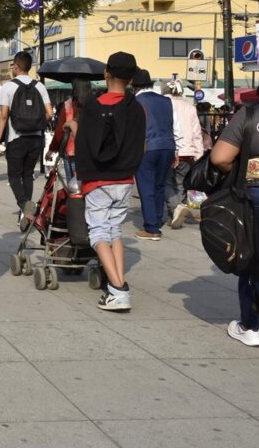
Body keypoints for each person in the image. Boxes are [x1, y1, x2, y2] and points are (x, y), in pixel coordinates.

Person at [211, 53, 259, 347]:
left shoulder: (248, 116)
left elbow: (220, 158)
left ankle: (250, 326)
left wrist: (242, 172)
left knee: (255, 262)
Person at [75, 52, 146, 311]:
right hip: (125, 178)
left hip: (98, 180)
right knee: (115, 231)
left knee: (99, 232)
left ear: (107, 72)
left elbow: (88, 144)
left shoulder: (95, 106)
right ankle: (118, 282)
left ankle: (118, 288)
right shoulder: (135, 107)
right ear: (130, 77)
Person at [0, 52, 53, 222]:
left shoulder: (8, 87)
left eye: (13, 65)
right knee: (27, 175)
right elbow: (50, 113)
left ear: (17, 66)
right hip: (36, 138)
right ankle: (26, 212)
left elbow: (4, 115)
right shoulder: (40, 86)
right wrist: (36, 123)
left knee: (14, 176)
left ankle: (24, 206)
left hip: (16, 138)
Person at [132, 69, 179, 241]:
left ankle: (151, 228)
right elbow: (175, 125)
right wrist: (177, 150)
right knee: (159, 185)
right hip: (168, 146)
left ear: (134, 86)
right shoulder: (166, 101)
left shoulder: (135, 101)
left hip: (147, 147)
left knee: (146, 188)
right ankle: (157, 220)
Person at [164, 79, 204, 229]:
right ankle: (176, 211)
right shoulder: (190, 107)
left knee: (167, 182)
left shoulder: (164, 105)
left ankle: (176, 208)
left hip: (170, 149)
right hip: (188, 152)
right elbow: (196, 132)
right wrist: (199, 153)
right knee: (180, 183)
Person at [47, 79, 93, 185]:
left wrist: (52, 149)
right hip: (89, 151)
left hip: (71, 150)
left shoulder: (68, 105)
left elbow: (59, 131)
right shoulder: (94, 104)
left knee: (72, 185)